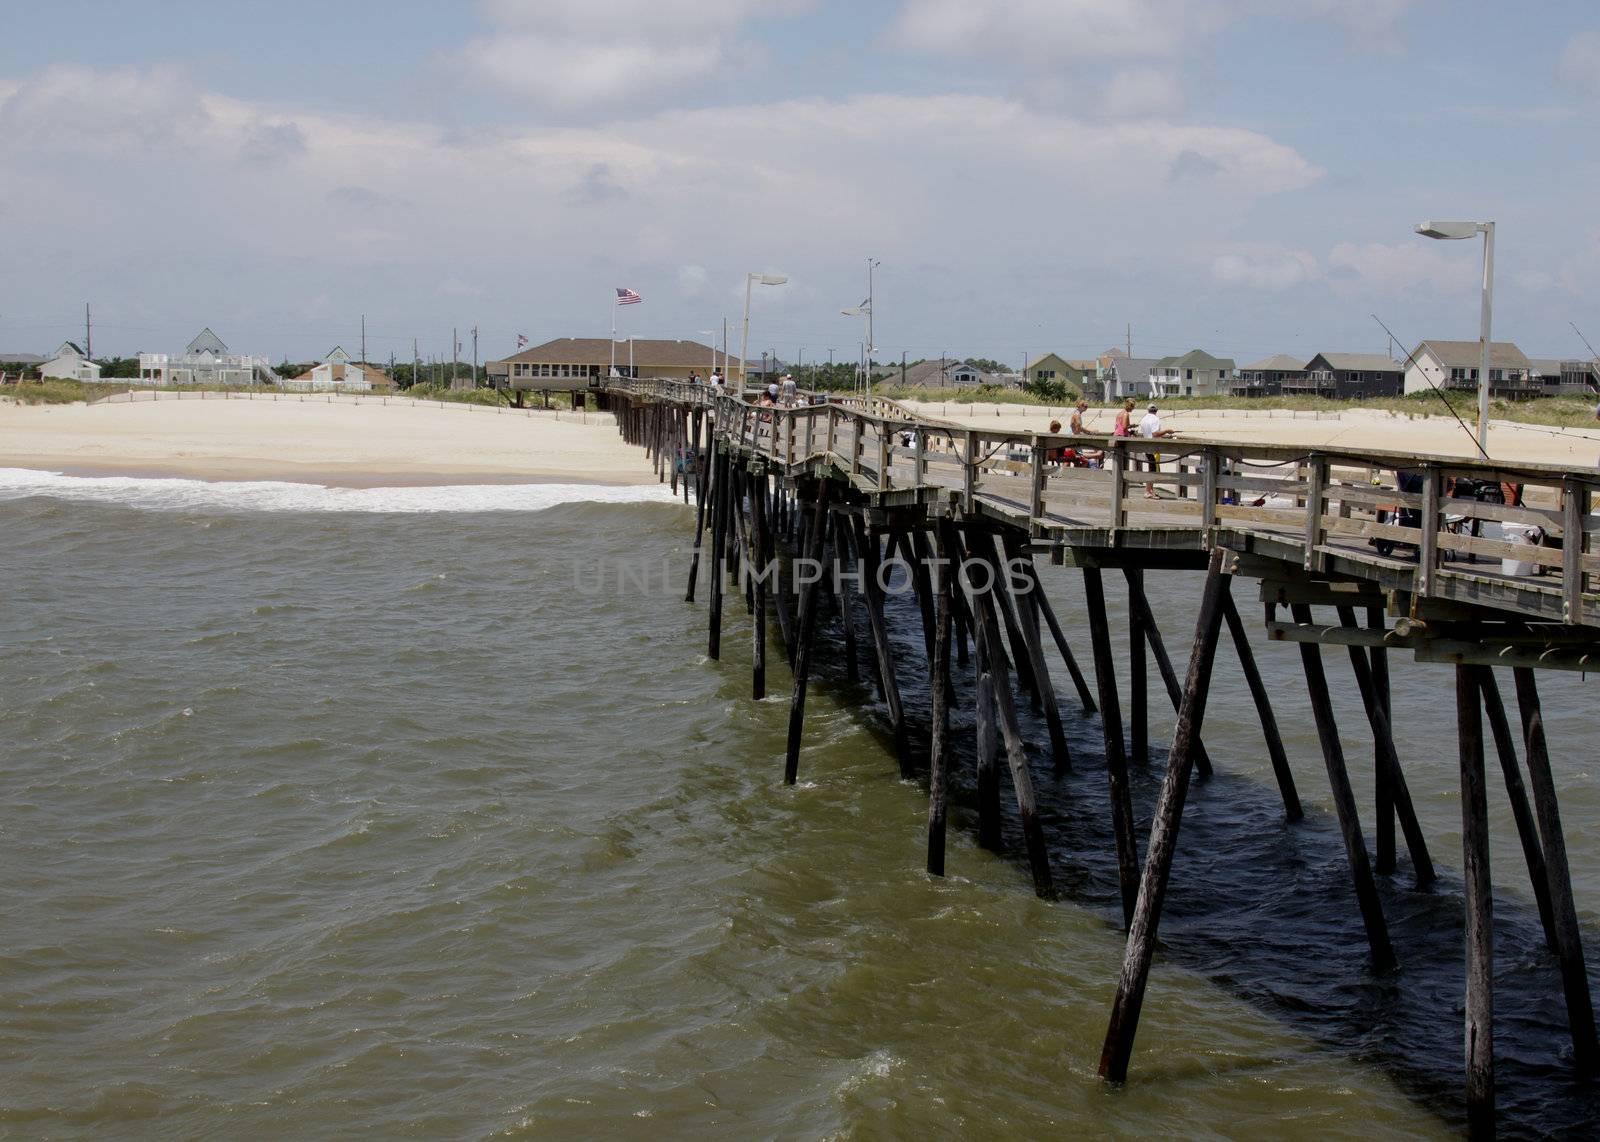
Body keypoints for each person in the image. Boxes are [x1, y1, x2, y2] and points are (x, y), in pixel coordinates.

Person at [1137, 403, 1175, 499]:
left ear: (1148, 410)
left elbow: (1141, 433)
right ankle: (1148, 491)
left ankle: (1149, 490)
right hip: (1153, 447)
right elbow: (1155, 434)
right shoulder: (1155, 419)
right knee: (1152, 469)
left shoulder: (1144, 419)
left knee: (1151, 467)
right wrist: (1166, 431)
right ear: (1156, 411)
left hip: (1146, 446)